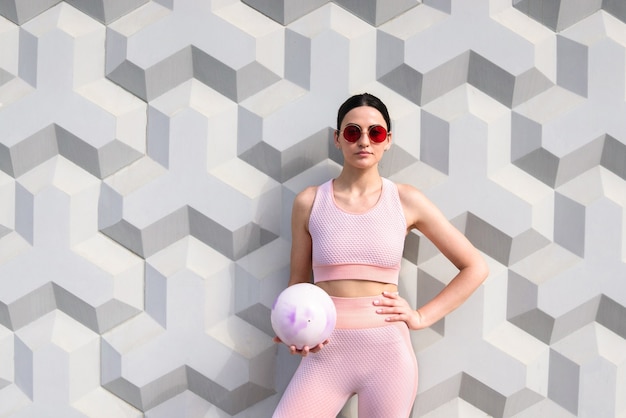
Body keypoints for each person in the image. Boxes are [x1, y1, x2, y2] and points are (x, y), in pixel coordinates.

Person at [273, 93, 489, 417]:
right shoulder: (309, 202)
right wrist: (293, 329)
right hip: (324, 354)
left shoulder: (406, 200)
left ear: (387, 141)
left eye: (375, 133)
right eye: (352, 132)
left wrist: (420, 317)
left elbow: (475, 266)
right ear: (337, 138)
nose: (364, 141)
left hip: (388, 355)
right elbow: (298, 284)